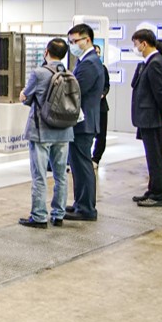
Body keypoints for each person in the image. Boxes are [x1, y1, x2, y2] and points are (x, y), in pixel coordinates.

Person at [18, 38, 73, 228]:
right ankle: (58, 214)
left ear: (46, 52)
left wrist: (24, 95)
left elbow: (26, 97)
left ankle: (39, 216)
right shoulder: (68, 73)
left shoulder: (39, 73)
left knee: (39, 175)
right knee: (61, 176)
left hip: (42, 130)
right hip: (64, 131)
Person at [130, 29, 162, 208]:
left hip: (153, 118)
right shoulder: (148, 62)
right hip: (148, 118)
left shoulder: (156, 63)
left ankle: (158, 194)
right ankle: (152, 190)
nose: (135, 47)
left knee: (156, 158)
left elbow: (160, 92)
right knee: (152, 157)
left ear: (144, 43)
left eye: (136, 44)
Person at [63, 24, 104, 222]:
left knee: (82, 165)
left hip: (83, 123)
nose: (72, 45)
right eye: (70, 42)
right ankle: (81, 203)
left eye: (75, 41)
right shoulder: (87, 61)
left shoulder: (89, 63)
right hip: (82, 122)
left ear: (87, 40)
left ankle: (86, 208)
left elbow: (75, 90)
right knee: (78, 166)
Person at [91, 44, 110, 166]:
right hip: (89, 107)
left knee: (101, 135)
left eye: (99, 52)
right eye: (95, 52)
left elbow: (107, 85)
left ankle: (96, 158)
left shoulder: (103, 68)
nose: (98, 55)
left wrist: (103, 94)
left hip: (101, 106)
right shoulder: (86, 68)